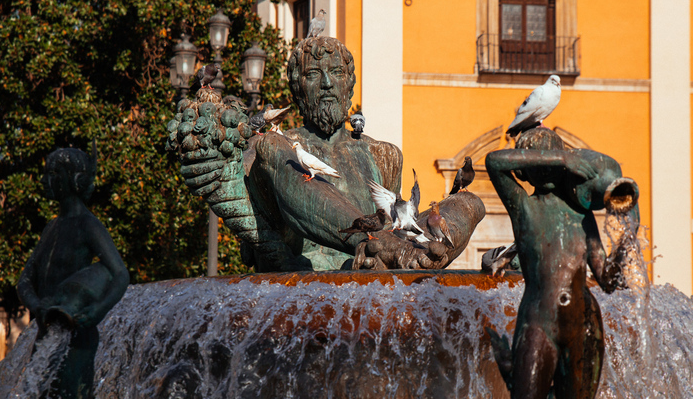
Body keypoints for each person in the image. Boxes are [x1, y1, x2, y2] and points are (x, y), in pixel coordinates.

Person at [179, 36, 484, 271]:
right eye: (313, 75)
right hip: (300, 280)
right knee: (272, 146)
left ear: (349, 85)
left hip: (370, 276)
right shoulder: (270, 145)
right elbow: (242, 210)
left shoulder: (383, 155)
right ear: (298, 88)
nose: (327, 84)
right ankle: (381, 246)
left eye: (336, 73)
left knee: (469, 201)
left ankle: (421, 255)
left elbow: (395, 221)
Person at [484, 127, 627, 399]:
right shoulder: (524, 206)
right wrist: (564, 157)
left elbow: (607, 279)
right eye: (537, 161)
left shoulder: (582, 214)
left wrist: (628, 237)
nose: (546, 169)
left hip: (584, 326)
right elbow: (494, 161)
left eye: (551, 159)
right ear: (527, 169)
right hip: (539, 322)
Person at [16, 145, 129, 399]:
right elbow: (25, 278)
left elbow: (120, 273)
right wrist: (35, 304)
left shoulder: (87, 225)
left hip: (76, 334)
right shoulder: (51, 228)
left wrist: (95, 311)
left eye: (55, 173)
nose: (48, 179)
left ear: (73, 179)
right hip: (46, 331)